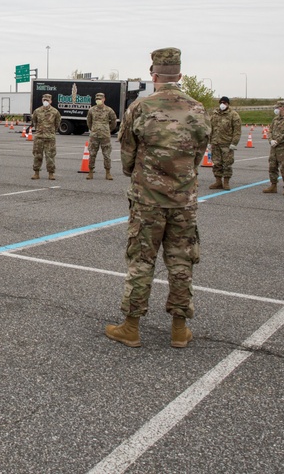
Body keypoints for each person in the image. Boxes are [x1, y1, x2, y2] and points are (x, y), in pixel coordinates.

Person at [106, 47, 209, 349]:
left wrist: (141, 174)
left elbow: (126, 155)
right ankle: (179, 329)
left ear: (154, 75)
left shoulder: (140, 107)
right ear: (179, 75)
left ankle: (131, 326)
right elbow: (199, 154)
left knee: (141, 261)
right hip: (183, 200)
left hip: (148, 200)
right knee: (181, 262)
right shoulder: (198, 109)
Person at [208, 95, 242, 190]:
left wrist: (234, 143)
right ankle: (218, 182)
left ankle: (226, 182)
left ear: (228, 104)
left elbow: (237, 131)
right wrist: (209, 142)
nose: (222, 105)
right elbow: (210, 128)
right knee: (216, 163)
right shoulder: (215, 114)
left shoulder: (233, 115)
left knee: (227, 164)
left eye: (225, 103)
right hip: (215, 143)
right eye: (221, 103)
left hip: (227, 144)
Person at [263, 100, 284, 196]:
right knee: (272, 166)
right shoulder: (275, 119)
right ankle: (273, 185)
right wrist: (270, 140)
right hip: (274, 147)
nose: (276, 109)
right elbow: (270, 131)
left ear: (283, 107)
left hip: (283, 147)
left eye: (278, 107)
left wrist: (277, 140)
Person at [30, 93, 61, 180]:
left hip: (50, 138)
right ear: (42, 100)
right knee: (37, 155)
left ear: (51, 101)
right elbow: (34, 122)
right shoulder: (37, 111)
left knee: (50, 156)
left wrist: (51, 132)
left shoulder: (55, 112)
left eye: (47, 100)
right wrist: (39, 131)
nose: (45, 101)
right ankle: (36, 173)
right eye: (44, 100)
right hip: (39, 137)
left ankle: (51, 174)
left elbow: (57, 123)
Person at [87, 92, 117, 180]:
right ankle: (90, 172)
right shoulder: (91, 110)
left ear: (104, 99)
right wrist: (93, 129)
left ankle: (108, 173)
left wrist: (108, 129)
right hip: (94, 135)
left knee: (106, 155)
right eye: (97, 99)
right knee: (92, 154)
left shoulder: (109, 110)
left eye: (100, 99)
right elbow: (89, 122)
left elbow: (114, 122)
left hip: (105, 136)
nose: (98, 100)